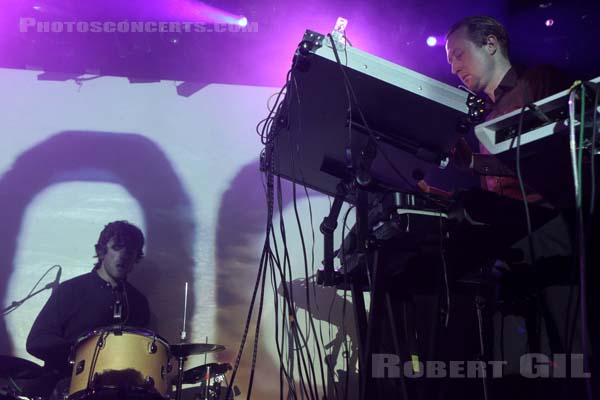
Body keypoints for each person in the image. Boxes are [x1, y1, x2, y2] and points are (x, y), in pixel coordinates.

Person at [444, 16, 589, 399]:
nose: (454, 67)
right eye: (449, 62)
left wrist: (476, 164)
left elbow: (556, 153)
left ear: (491, 44)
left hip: (552, 233)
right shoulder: (484, 120)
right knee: (523, 369)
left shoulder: (539, 81)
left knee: (573, 352)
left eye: (459, 54)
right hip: (511, 249)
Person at [25, 220, 150, 396]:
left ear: (136, 256)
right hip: (68, 384)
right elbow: (37, 341)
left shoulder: (138, 302)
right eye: (117, 248)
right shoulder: (70, 290)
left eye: (131, 250)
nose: (124, 255)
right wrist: (80, 351)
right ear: (101, 252)